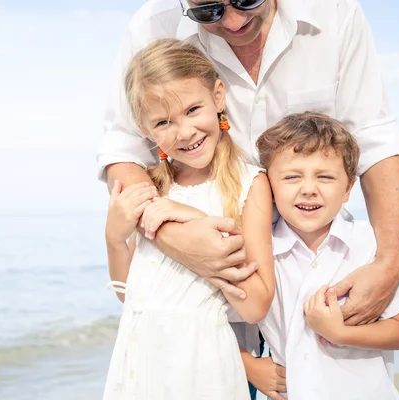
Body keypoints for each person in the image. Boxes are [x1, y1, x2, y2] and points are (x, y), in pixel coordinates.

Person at [98, 0, 399, 397]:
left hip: (303, 267)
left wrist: (390, 260)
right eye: (207, 11)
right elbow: (122, 149)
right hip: (173, 357)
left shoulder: (336, 13)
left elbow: (375, 138)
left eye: (246, 0)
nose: (233, 20)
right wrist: (165, 235)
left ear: (217, 97)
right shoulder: (150, 25)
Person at [103, 38, 274, 400]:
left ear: (217, 97)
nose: (184, 132)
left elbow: (256, 304)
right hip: (140, 358)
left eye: (193, 109)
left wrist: (192, 217)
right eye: (163, 121)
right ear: (144, 128)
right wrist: (115, 240)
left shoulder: (249, 185)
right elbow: (131, 295)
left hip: (203, 364)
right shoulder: (150, 189)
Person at [252, 112, 399, 399]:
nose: (309, 189)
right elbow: (217, 323)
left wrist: (340, 333)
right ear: (269, 187)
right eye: (292, 177)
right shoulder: (261, 250)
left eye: (325, 177)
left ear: (348, 188)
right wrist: (248, 366)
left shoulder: (370, 245)